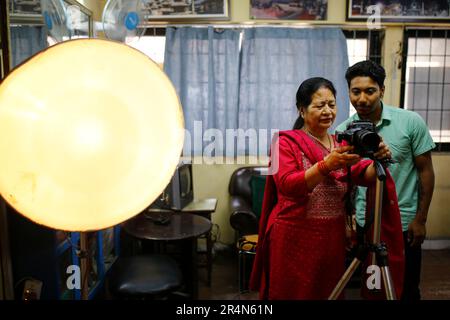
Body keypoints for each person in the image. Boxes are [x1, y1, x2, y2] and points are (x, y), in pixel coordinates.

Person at [249, 77, 402, 299]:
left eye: (331, 104)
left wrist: (379, 159)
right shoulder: (283, 143)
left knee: (328, 292)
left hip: (331, 239)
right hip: (293, 237)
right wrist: (326, 165)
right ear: (302, 110)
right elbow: (288, 185)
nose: (327, 111)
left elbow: (364, 175)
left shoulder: (340, 142)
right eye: (319, 105)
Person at [336, 60, 436, 301]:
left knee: (407, 288)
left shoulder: (410, 122)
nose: (361, 99)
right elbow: (344, 182)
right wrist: (348, 225)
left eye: (369, 91)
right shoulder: (343, 131)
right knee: (373, 288)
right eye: (355, 91)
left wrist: (420, 219)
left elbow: (426, 172)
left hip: (404, 224)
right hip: (365, 224)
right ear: (349, 91)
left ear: (382, 90)